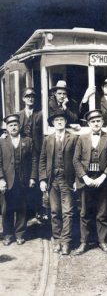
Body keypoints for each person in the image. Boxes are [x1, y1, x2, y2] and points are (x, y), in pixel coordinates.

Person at [73, 109, 107, 255]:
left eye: (98, 121)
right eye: (93, 121)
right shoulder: (82, 138)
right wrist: (85, 177)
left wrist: (103, 177)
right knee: (84, 212)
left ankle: (103, 241)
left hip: (102, 180)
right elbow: (76, 160)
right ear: (89, 123)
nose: (96, 123)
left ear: (102, 122)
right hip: (86, 179)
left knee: (102, 212)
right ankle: (84, 243)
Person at [39, 111, 78, 255]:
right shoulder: (48, 139)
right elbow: (42, 160)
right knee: (55, 211)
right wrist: (43, 179)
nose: (59, 122)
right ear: (53, 123)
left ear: (66, 122)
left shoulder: (73, 138)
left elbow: (77, 161)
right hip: (52, 180)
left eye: (62, 119)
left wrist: (76, 180)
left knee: (67, 211)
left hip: (67, 180)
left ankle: (66, 241)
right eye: (57, 120)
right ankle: (57, 239)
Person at [0, 114, 37, 246]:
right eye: (10, 125)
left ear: (19, 126)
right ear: (7, 128)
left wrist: (33, 177)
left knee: (22, 207)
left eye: (15, 125)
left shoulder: (28, 140)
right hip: (7, 180)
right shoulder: (2, 141)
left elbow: (34, 160)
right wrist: (1, 179)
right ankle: (8, 235)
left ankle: (20, 234)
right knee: (6, 209)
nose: (13, 127)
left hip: (23, 179)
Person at [17, 87, 45, 222]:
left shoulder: (40, 114)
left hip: (38, 153)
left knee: (37, 181)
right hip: (24, 154)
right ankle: (26, 214)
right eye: (27, 96)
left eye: (32, 96)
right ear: (23, 99)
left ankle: (38, 212)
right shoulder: (18, 115)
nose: (30, 98)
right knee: (25, 181)